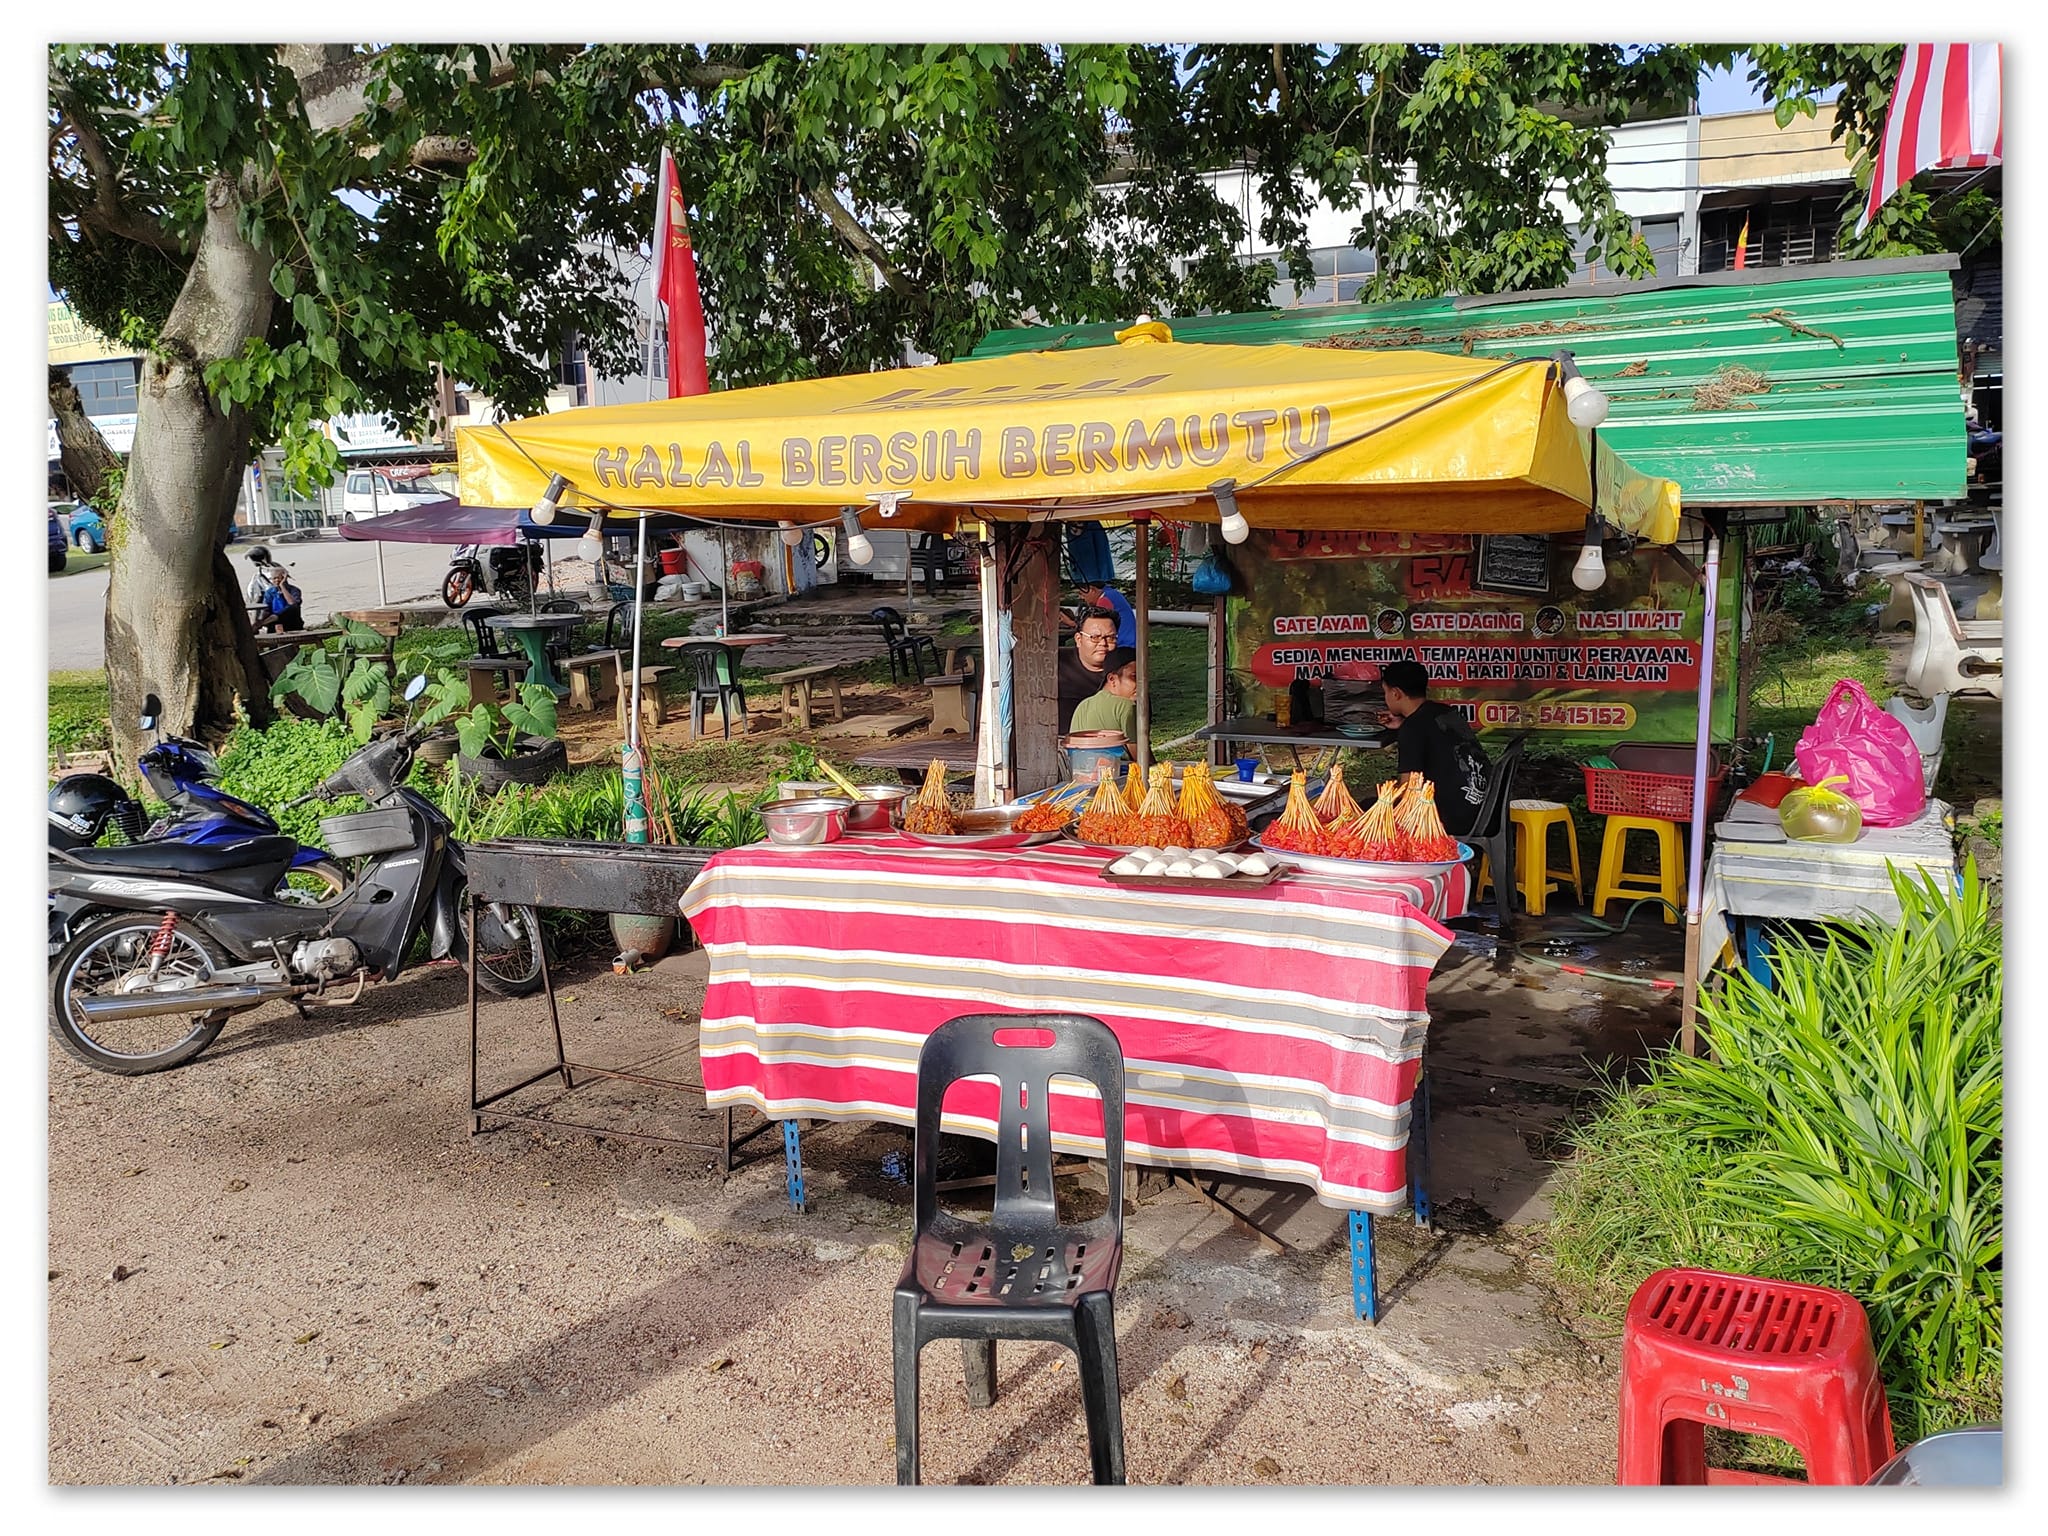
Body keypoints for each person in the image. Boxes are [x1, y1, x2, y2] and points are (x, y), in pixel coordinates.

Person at [1379, 659, 1489, 836]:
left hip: (1449, 819)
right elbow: (1432, 731)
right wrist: (1404, 722)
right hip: (1483, 809)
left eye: (1385, 692)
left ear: (1396, 694)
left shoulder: (1412, 729)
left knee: (1366, 808)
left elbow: (1408, 792)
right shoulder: (1446, 713)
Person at [1056, 610, 1120, 734]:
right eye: (1095, 638)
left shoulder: (1125, 671)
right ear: (1079, 639)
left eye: (1110, 638)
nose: (1103, 644)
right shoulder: (1054, 662)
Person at [1068, 647, 1139, 740]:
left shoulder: (1082, 706)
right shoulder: (1126, 705)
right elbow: (1138, 752)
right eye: (1134, 677)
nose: (1141, 684)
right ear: (1112, 679)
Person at [246, 549, 305, 633]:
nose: (276, 580)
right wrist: (259, 621)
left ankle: (274, 617)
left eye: (279, 578)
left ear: (285, 578)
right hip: (273, 622)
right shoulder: (270, 592)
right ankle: (268, 621)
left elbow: (293, 604)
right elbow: (266, 608)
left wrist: (282, 586)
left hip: (291, 622)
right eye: (274, 578)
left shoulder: (294, 590)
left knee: (292, 608)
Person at [1077, 580, 1138, 648]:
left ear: (1092, 589)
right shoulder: (1111, 593)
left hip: (1122, 643)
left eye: (1081, 593)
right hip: (1130, 640)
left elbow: (1099, 625)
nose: (1081, 597)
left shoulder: (1104, 600)